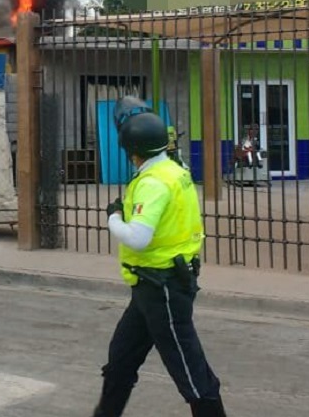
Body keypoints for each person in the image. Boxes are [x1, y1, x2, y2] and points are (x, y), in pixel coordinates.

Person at [92, 96, 227, 417]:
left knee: (190, 371)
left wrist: (113, 217)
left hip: (163, 285)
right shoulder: (173, 169)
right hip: (151, 283)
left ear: (130, 149)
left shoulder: (153, 183)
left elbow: (138, 238)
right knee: (121, 358)